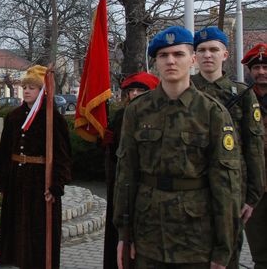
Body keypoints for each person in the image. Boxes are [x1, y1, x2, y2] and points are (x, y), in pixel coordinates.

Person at [114, 26, 242, 269]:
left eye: (178, 54)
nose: (170, 61)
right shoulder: (138, 110)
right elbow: (126, 174)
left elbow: (226, 185)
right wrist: (123, 233)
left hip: (195, 239)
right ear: (156, 62)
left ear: (192, 59)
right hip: (147, 233)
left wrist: (224, 249)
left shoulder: (212, 113)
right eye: (163, 56)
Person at [192, 27, 265, 269]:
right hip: (193, 189)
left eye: (214, 49)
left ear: (225, 54)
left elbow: (254, 147)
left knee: (228, 255)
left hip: (234, 189)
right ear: (194, 56)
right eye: (201, 50)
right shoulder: (185, 90)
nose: (207, 55)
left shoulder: (242, 94)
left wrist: (253, 197)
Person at [0, 65, 72, 269]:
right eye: (25, 87)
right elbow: (4, 152)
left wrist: (56, 185)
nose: (27, 91)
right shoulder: (13, 117)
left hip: (40, 183)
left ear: (42, 91)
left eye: (32, 88)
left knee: (39, 235)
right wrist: (2, 180)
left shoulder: (52, 118)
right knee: (17, 234)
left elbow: (63, 156)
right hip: (17, 181)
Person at [102, 71, 159, 269]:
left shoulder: (157, 116)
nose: (135, 94)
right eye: (131, 91)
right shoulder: (121, 116)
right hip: (120, 184)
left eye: (140, 90)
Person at [241, 43, 267, 269]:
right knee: (260, 252)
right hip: (255, 188)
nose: (261, 71)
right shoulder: (241, 100)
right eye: (256, 67)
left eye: (265, 67)